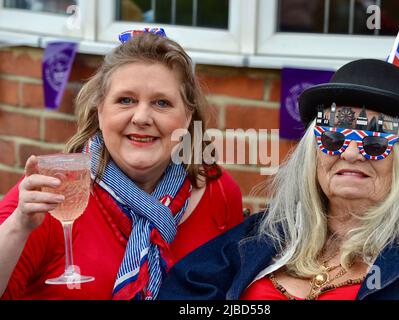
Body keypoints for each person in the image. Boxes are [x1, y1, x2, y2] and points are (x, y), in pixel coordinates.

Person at [158, 59, 399, 300]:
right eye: (334, 139)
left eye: (375, 143)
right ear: (313, 153)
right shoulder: (268, 232)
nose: (350, 153)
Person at [0, 28, 243, 300]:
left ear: (187, 117)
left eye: (162, 103)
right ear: (100, 109)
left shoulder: (218, 192)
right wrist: (18, 226)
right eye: (125, 100)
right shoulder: (53, 190)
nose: (141, 117)